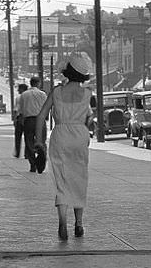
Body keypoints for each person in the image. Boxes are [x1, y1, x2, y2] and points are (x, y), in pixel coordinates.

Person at [35, 53, 94, 241]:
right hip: (79, 136)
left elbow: (40, 116)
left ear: (68, 71)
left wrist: (39, 141)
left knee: (62, 181)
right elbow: (90, 120)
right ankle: (79, 224)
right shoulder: (87, 94)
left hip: (60, 135)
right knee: (79, 178)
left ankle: (62, 222)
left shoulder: (57, 92)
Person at [19, 75, 48, 171]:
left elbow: (21, 110)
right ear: (38, 83)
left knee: (29, 142)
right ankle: (41, 160)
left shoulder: (24, 95)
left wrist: (22, 121)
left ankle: (33, 164)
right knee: (41, 141)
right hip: (40, 120)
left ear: (30, 83)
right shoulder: (43, 94)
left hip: (29, 121)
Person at [13, 82, 28, 157]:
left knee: (18, 136)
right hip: (28, 118)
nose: (18, 90)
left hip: (20, 117)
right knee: (27, 137)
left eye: (19, 89)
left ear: (22, 89)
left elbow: (16, 110)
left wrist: (15, 120)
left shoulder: (19, 98)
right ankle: (27, 153)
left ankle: (17, 152)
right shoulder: (29, 97)